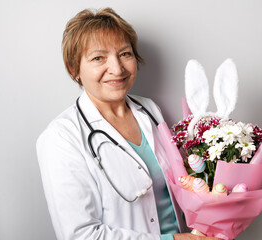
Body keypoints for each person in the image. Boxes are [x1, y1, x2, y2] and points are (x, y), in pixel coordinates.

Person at [37, 8, 221, 240]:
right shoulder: (61, 137)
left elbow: (178, 188)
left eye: (124, 54)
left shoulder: (149, 110)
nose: (117, 69)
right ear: (74, 69)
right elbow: (80, 235)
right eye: (98, 58)